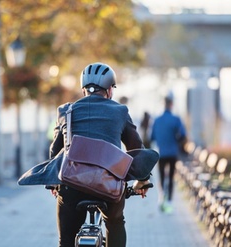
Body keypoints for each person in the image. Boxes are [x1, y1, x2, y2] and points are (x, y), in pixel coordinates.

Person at [49, 62, 154, 247]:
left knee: (65, 240)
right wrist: (143, 180)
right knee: (115, 223)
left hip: (71, 185)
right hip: (109, 185)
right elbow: (136, 148)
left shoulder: (66, 111)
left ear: (83, 90)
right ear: (110, 91)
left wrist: (53, 182)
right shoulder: (120, 111)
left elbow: (55, 150)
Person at [150, 94, 186, 214]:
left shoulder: (157, 120)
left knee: (161, 176)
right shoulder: (176, 119)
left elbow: (152, 137)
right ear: (171, 105)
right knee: (170, 177)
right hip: (173, 152)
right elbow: (182, 136)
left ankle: (161, 198)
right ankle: (169, 201)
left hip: (161, 153)